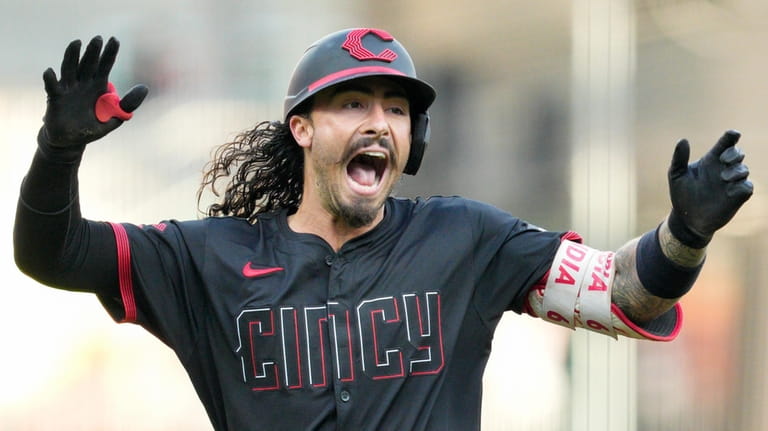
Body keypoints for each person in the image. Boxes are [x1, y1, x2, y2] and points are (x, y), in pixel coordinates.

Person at [13, 28, 752, 431]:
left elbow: (624, 296)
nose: (379, 122)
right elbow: (52, 253)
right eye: (353, 104)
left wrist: (684, 234)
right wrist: (58, 152)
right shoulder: (208, 256)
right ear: (301, 128)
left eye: (395, 109)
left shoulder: (465, 238)